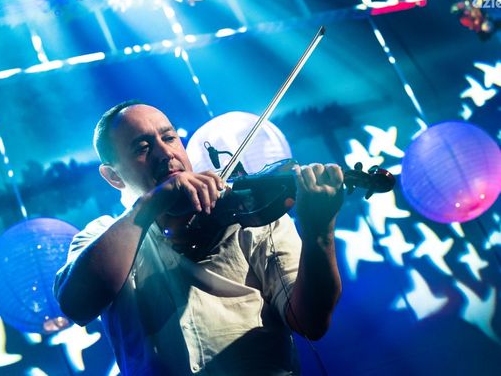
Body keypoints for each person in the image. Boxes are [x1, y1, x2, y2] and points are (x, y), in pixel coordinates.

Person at [54, 101, 344, 375]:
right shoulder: (99, 235)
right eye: (143, 148)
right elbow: (77, 305)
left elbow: (311, 322)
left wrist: (319, 233)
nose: (165, 154)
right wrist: (151, 205)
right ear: (113, 176)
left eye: (169, 138)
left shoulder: (249, 212)